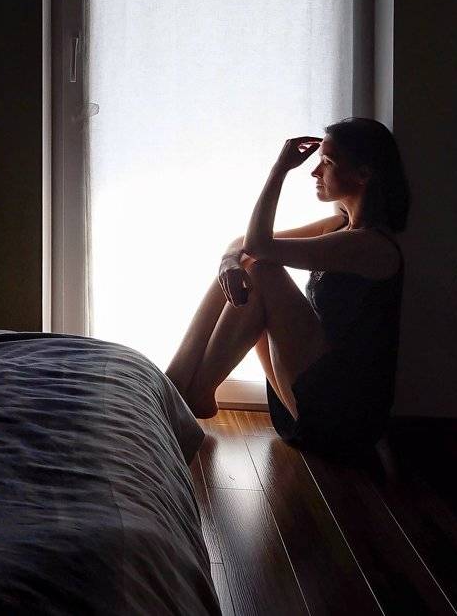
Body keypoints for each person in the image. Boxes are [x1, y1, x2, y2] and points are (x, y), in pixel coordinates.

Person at [165, 117, 410, 455]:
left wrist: (280, 170)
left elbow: (258, 245)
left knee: (263, 270)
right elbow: (243, 245)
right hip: (313, 396)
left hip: (343, 419)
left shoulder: (370, 246)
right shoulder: (338, 226)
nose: (315, 172)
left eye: (327, 162)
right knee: (247, 265)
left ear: (363, 174)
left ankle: (191, 393)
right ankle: (175, 385)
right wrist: (228, 262)